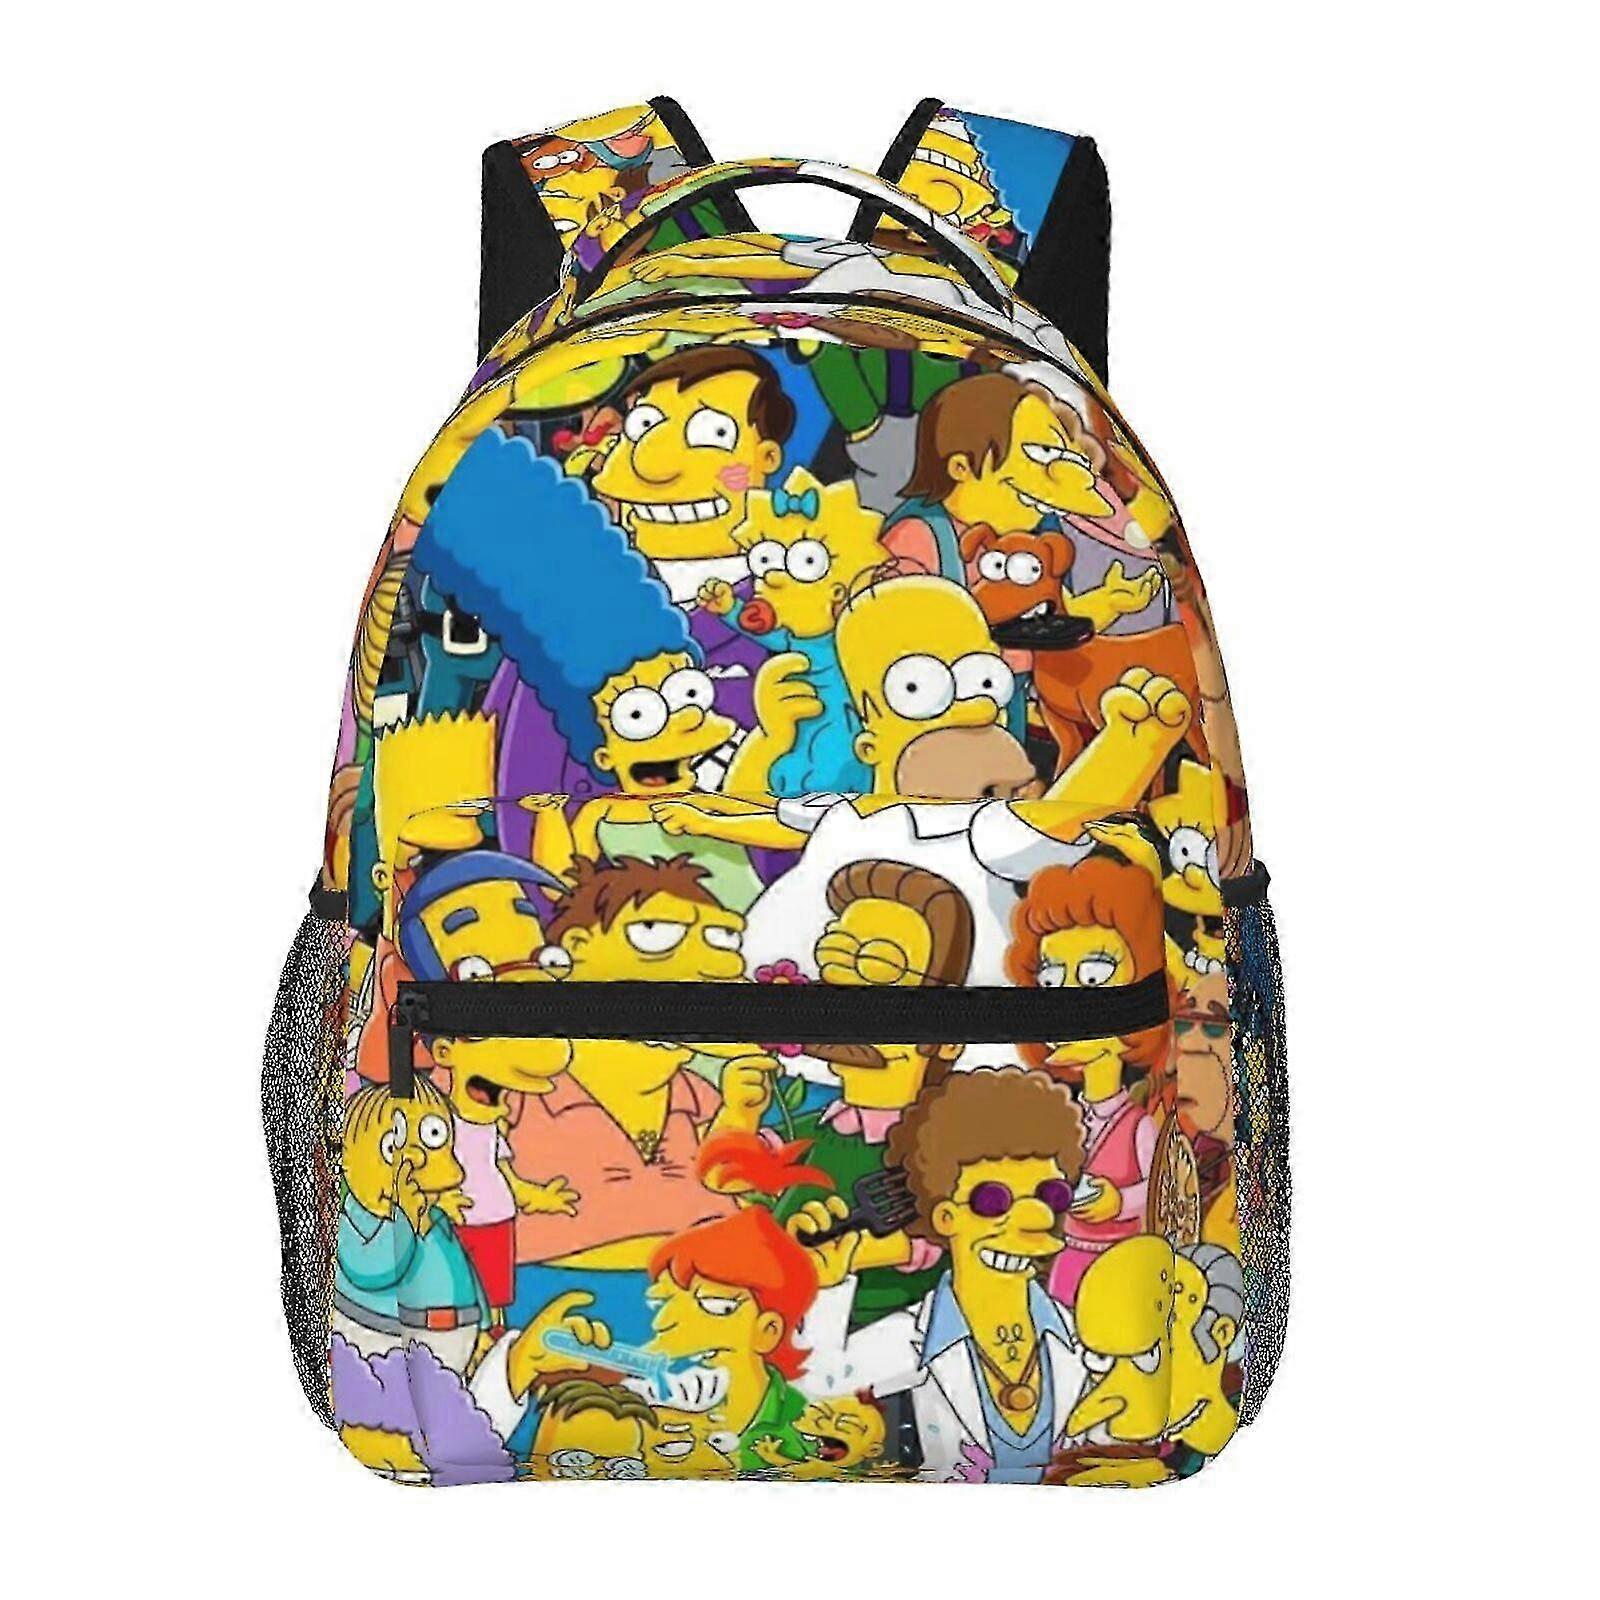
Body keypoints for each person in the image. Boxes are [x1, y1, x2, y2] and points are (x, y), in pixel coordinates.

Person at [795, 1067, 1092, 1483]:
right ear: (945, 1216)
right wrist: (827, 1286)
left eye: (1051, 1194)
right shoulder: (915, 1337)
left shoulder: (1087, 1334)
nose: (1036, 1218)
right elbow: (818, 1388)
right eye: (993, 1200)